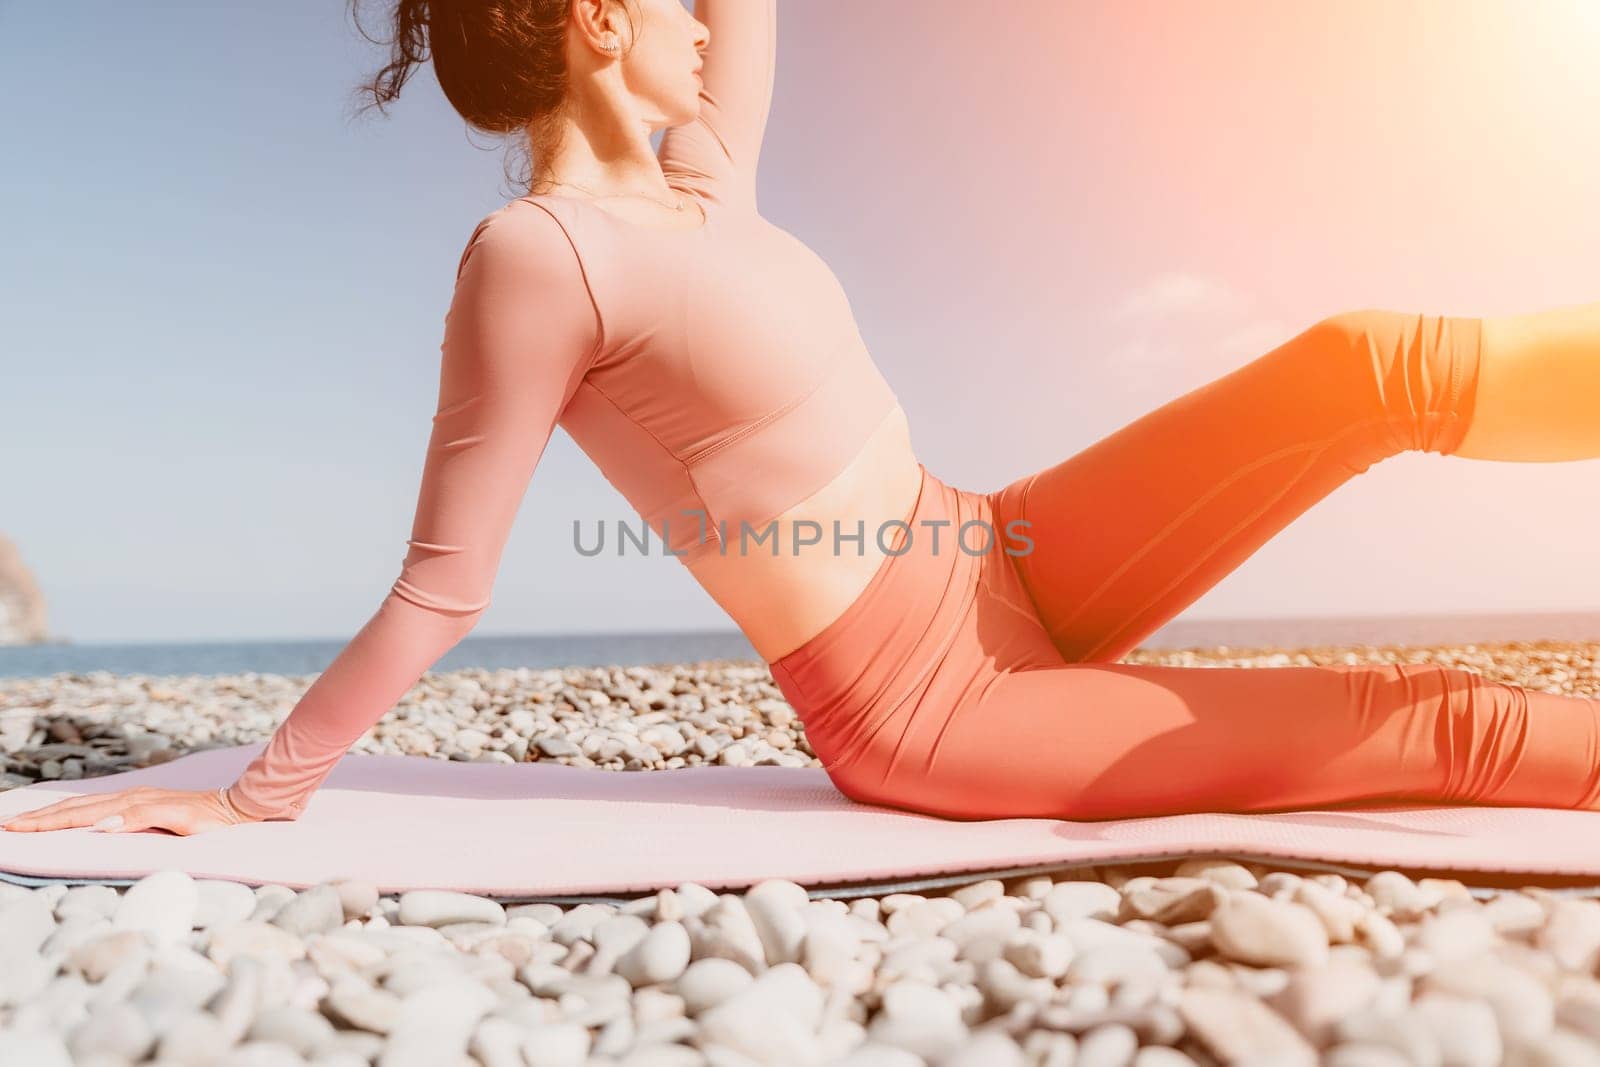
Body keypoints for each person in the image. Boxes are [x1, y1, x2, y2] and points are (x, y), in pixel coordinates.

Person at [7, 0, 1600, 836]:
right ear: (595, 18)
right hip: (929, 715)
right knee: (1440, 717)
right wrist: (258, 788)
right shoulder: (534, 258)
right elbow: (446, 584)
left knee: (1366, 361)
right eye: (665, 4)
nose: (706, 23)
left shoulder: (709, 180)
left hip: (1005, 550)